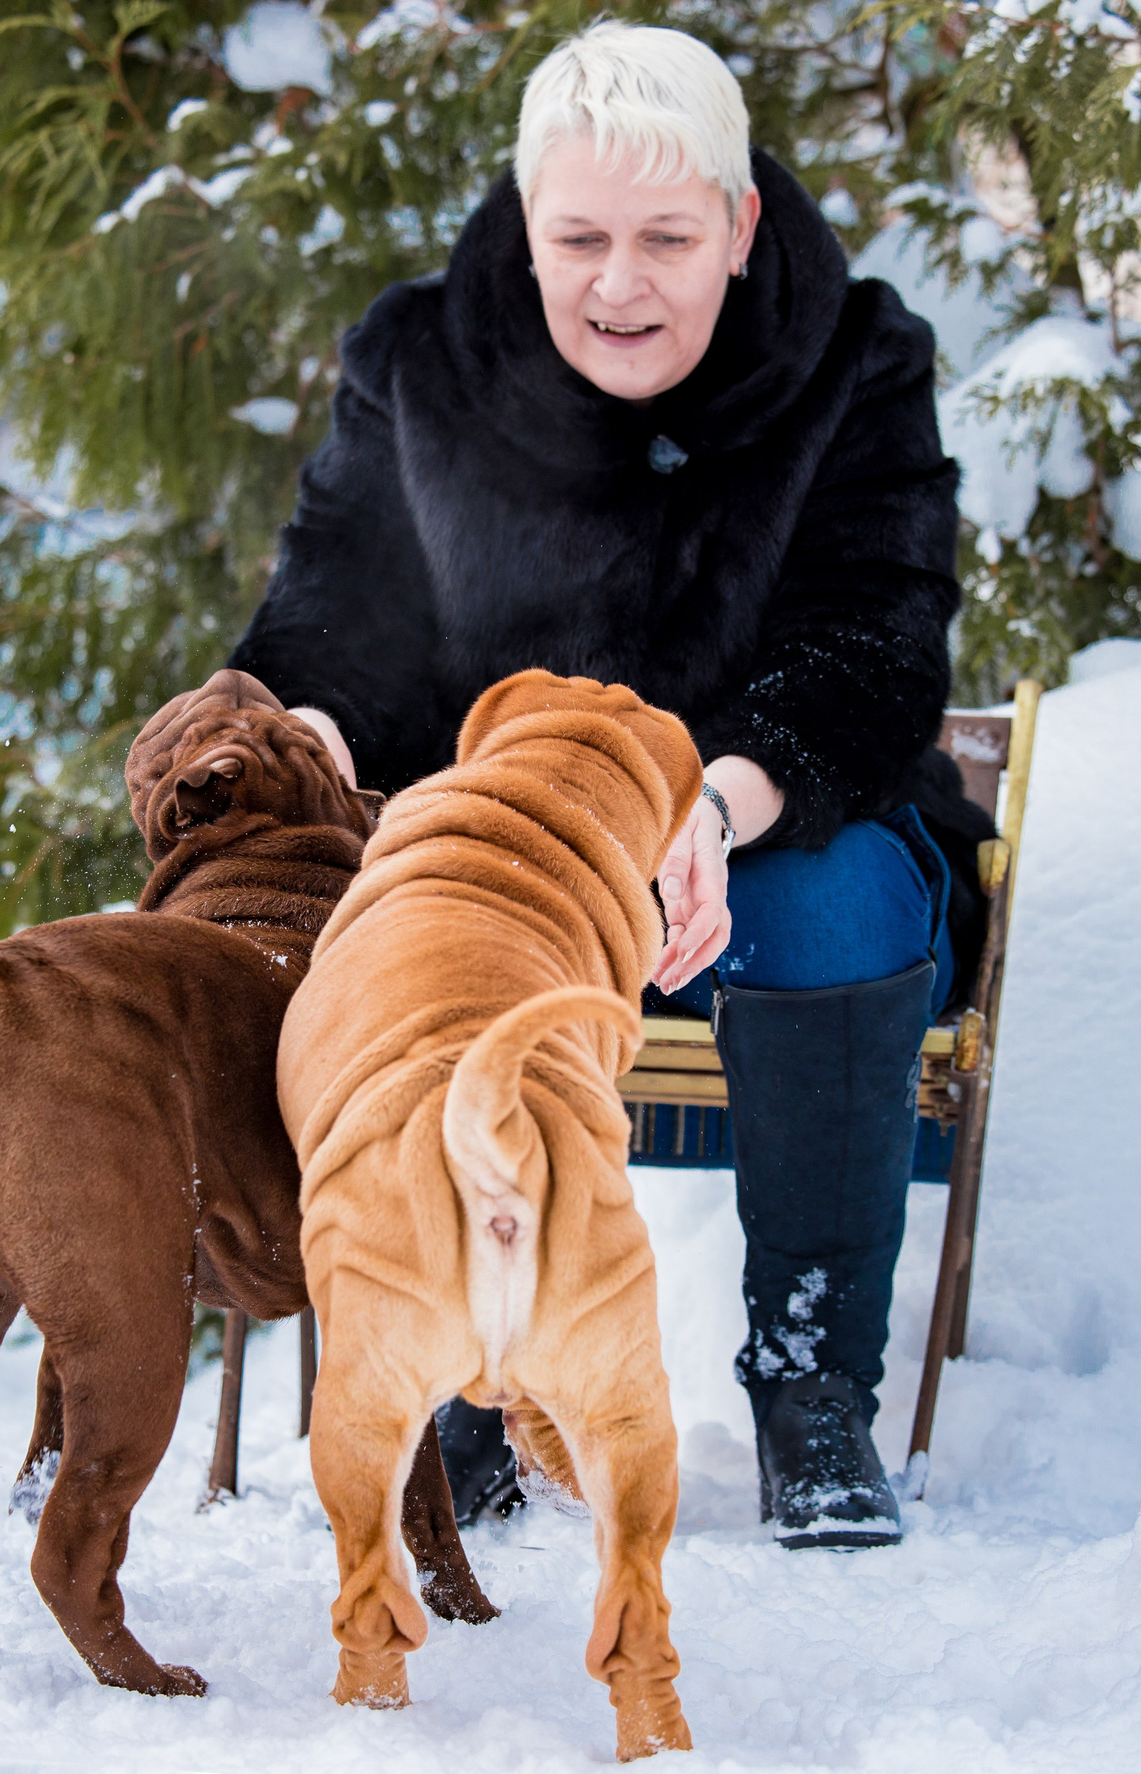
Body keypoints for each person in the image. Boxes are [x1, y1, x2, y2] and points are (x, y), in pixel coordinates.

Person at [229, 20, 987, 1549]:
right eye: (578, 237)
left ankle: (809, 1380)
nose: (618, 284)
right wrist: (301, 727)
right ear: (526, 223)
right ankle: (456, 1371)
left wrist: (719, 802)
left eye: (666, 238)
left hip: (772, 843)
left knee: (832, 900)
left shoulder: (856, 366)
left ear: (740, 225)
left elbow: (873, 646)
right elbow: (333, 624)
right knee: (414, 934)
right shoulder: (419, 369)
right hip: (506, 900)